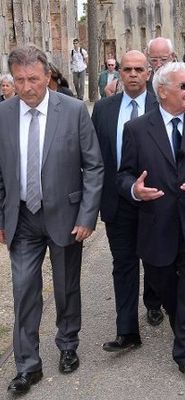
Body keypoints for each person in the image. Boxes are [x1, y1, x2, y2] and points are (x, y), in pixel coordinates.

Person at [0, 45, 103, 395]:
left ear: (47, 77)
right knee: (24, 288)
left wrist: (88, 215)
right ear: (11, 80)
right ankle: (27, 366)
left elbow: (94, 166)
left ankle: (68, 344)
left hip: (66, 216)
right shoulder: (3, 114)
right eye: (19, 80)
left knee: (65, 286)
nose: (27, 87)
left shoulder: (73, 111)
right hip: (22, 219)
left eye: (33, 79)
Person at [117, 61, 185, 386]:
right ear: (163, 92)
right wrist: (135, 189)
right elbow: (123, 175)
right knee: (166, 289)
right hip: (156, 227)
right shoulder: (136, 129)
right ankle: (183, 326)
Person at [92, 50, 163, 352]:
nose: (133, 74)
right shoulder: (104, 109)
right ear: (118, 73)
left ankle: (154, 302)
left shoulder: (162, 106)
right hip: (117, 201)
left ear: (149, 73)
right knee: (123, 264)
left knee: (155, 260)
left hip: (155, 199)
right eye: (127, 69)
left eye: (139, 69)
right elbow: (95, 157)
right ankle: (127, 331)